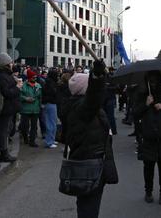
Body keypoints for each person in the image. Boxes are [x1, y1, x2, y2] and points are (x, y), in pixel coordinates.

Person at [64, 60, 112, 218]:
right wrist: (97, 76)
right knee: (88, 208)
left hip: (89, 163)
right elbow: (94, 97)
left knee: (87, 206)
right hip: (89, 166)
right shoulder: (82, 109)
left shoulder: (79, 106)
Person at [135, 71, 161, 205]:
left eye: (155, 80)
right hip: (148, 136)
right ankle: (148, 191)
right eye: (150, 81)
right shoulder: (142, 95)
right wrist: (146, 104)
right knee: (148, 167)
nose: (153, 83)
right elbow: (135, 113)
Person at [0, 53, 20, 162]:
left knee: (6, 129)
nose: (12, 64)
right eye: (10, 62)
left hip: (9, 108)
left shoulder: (6, 75)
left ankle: (2, 151)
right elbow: (7, 92)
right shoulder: (2, 76)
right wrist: (17, 87)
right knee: (3, 130)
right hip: (5, 108)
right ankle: (3, 153)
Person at [20, 69, 42, 147]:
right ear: (29, 78)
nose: (35, 79)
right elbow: (19, 95)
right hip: (25, 109)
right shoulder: (23, 85)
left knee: (34, 126)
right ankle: (25, 138)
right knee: (24, 126)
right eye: (33, 77)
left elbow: (40, 97)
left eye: (35, 77)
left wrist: (40, 105)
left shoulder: (38, 86)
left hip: (35, 109)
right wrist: (26, 98)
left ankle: (32, 141)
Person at [42, 69, 59, 148]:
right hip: (51, 103)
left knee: (52, 122)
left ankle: (51, 139)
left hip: (50, 103)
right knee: (51, 123)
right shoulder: (51, 84)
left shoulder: (48, 82)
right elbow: (53, 93)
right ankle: (49, 141)